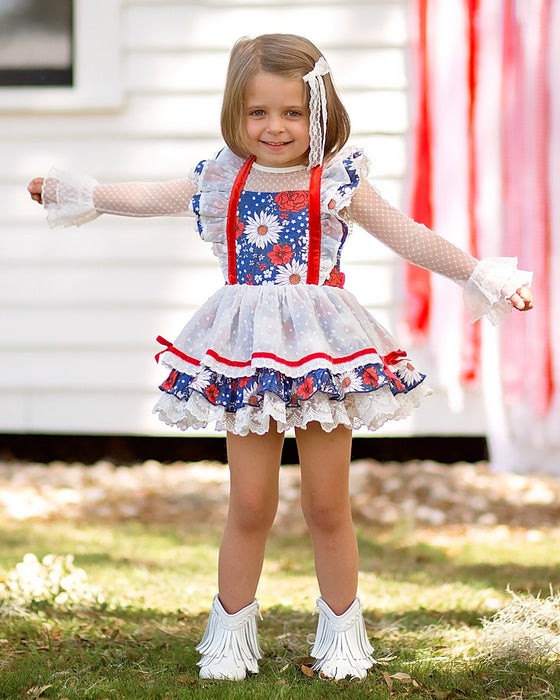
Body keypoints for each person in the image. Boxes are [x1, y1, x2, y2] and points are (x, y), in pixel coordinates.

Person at [28, 33, 533, 682]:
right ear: (236, 111)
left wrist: (485, 277)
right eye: (258, 112)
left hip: (324, 357)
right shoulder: (220, 178)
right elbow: (149, 196)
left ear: (320, 110)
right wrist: (82, 193)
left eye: (292, 112)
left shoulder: (337, 178)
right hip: (247, 360)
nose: (274, 127)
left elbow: (412, 238)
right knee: (250, 503)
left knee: (328, 502)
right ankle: (230, 637)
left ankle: (344, 634)